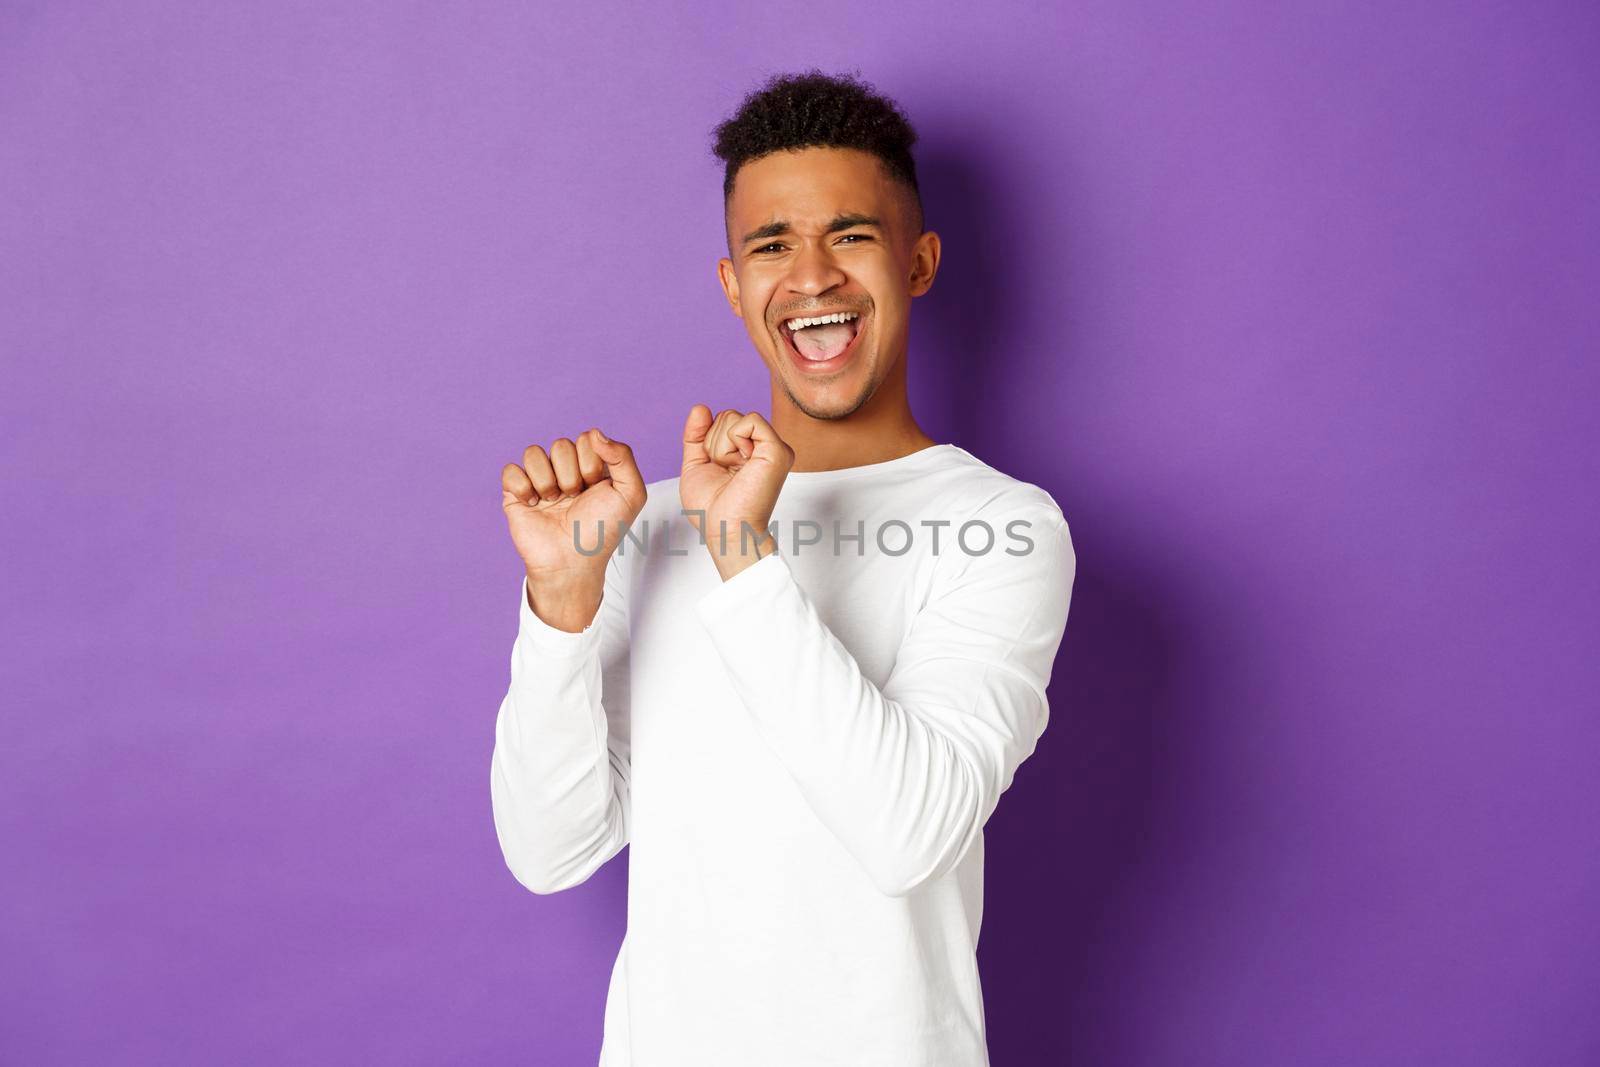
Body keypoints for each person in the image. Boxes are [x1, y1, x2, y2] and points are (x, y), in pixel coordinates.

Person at [490, 68, 1077, 1067]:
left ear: (919, 262)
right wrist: (560, 603)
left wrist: (743, 557)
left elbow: (906, 828)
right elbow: (551, 851)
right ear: (732, 283)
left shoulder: (1004, 526)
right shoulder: (649, 524)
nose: (810, 277)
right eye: (771, 244)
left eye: (849, 234)